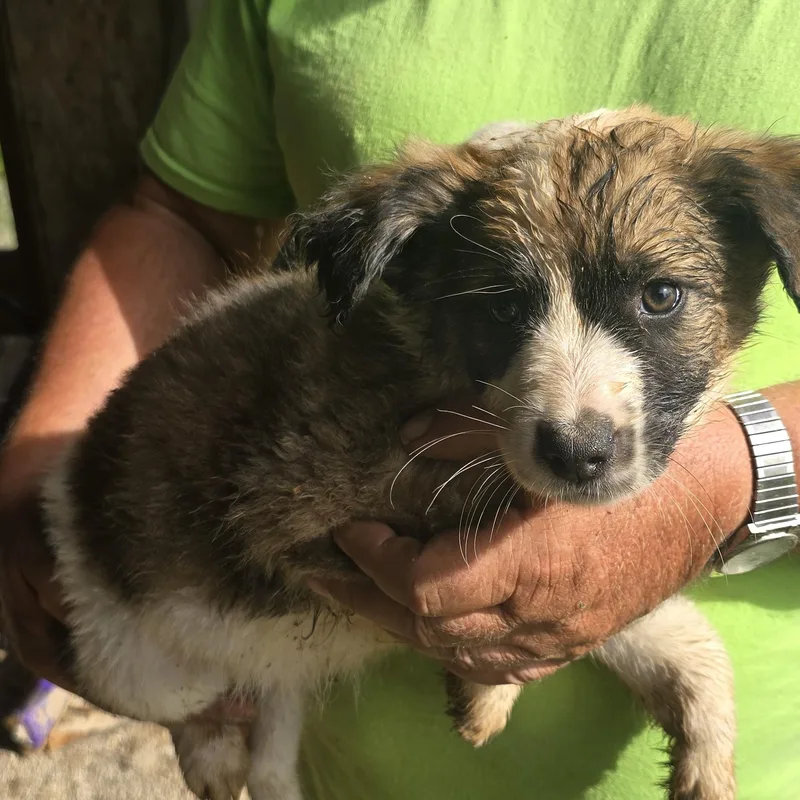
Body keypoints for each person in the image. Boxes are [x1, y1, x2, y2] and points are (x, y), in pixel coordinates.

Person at [1, 0, 799, 797]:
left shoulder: (753, 191)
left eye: (660, 296)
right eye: (502, 309)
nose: (576, 412)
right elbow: (178, 214)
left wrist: (745, 470)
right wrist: (40, 473)